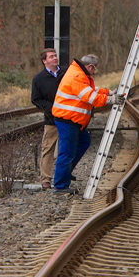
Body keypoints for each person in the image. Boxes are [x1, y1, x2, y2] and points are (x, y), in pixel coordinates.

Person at [50, 54, 115, 193]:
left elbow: (92, 90)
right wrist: (111, 100)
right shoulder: (78, 76)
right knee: (67, 152)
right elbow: (90, 97)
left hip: (73, 120)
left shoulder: (79, 74)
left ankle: (65, 172)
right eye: (95, 70)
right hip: (68, 119)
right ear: (90, 66)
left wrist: (108, 93)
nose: (94, 73)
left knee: (84, 141)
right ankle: (60, 185)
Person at [31, 47, 63, 190]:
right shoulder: (38, 79)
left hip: (69, 119)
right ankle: (46, 180)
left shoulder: (66, 73)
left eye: (55, 56)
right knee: (48, 149)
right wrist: (51, 109)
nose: (55, 58)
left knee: (68, 148)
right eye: (51, 57)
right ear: (44, 61)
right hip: (51, 120)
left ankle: (64, 177)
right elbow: (36, 99)